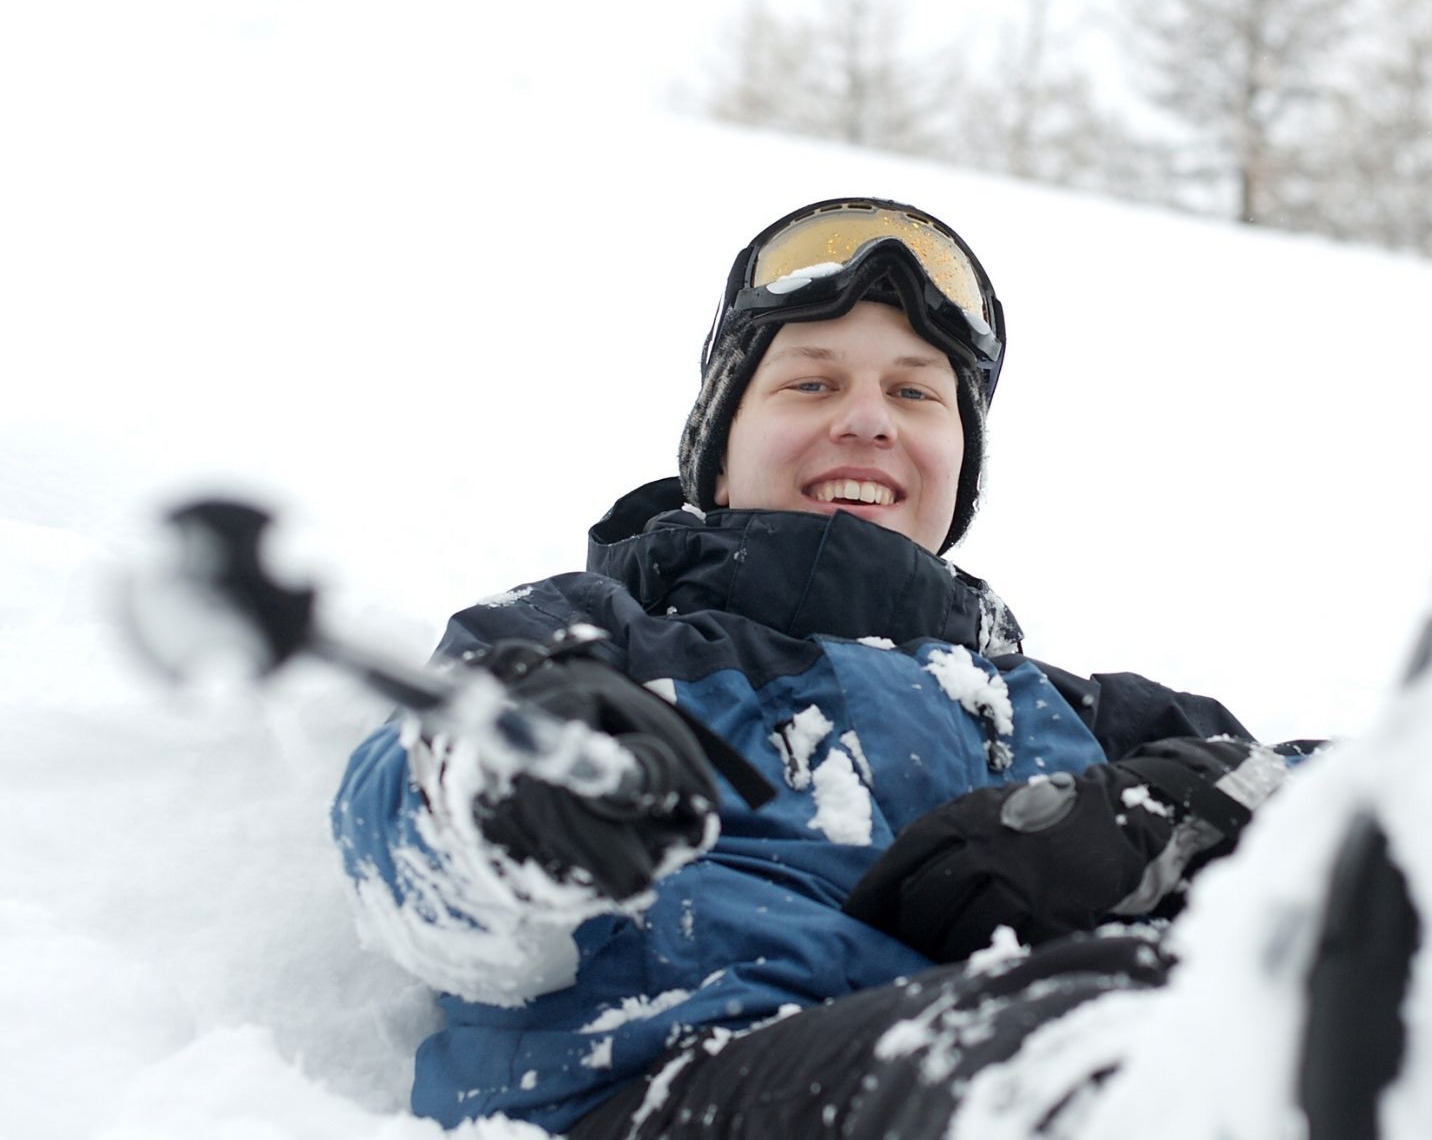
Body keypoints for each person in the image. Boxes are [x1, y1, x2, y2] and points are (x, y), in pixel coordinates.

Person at [331, 198, 1307, 1138]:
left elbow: (1405, 794)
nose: (869, 421)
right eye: (812, 383)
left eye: (916, 393)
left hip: (1040, 1050)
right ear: (716, 457)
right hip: (667, 1091)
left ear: (960, 463)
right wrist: (514, 791)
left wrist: (1160, 811)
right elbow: (407, 812)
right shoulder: (595, 640)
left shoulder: (1071, 713)